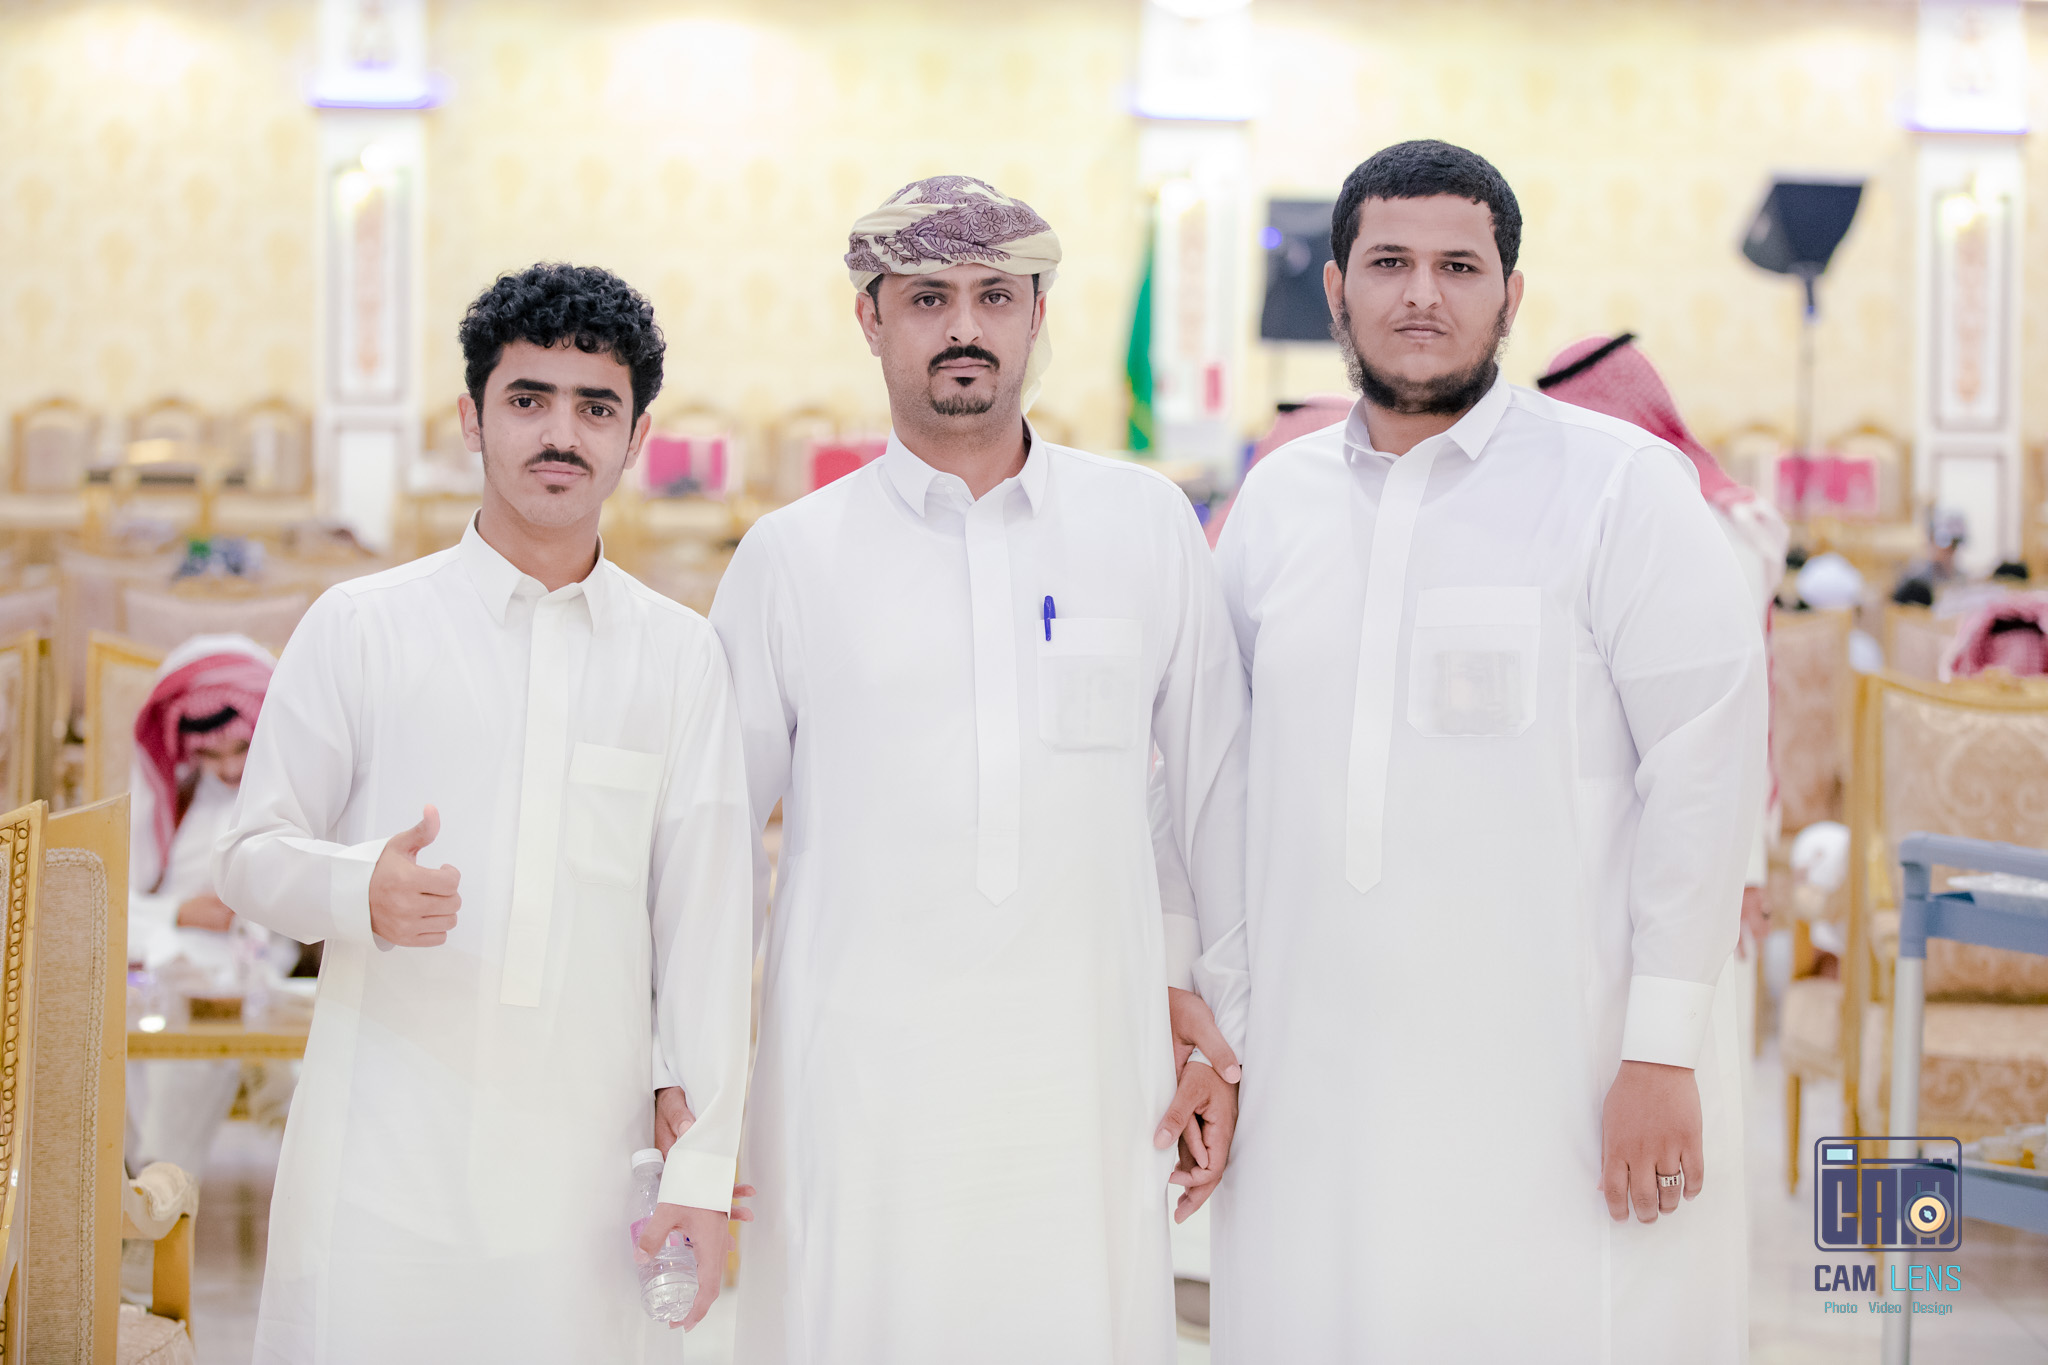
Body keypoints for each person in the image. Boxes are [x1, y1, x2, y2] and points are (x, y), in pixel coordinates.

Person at [1205, 141, 1767, 1363]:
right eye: (1388, 263)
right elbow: (1215, 778)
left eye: (1458, 267)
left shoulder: (1620, 488)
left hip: (1553, 1063)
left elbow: (1704, 767)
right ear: (1335, 289)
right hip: (1316, 1065)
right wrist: (1210, 1016)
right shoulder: (1275, 503)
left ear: (1510, 297)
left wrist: (1659, 1050)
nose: (1422, 295)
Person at [709, 174, 1248, 1365]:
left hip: (1088, 1064)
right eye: (927, 298)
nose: (964, 326)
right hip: (859, 1073)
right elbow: (712, 844)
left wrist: (1218, 1022)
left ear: (1037, 314)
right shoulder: (791, 557)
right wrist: (692, 1086)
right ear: (870, 318)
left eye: (994, 296)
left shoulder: (1143, 524)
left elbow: (1208, 794)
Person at [214, 263, 754, 1362]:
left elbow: (707, 920)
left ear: (636, 437)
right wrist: (356, 886)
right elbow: (247, 855)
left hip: (588, 1166)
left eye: (595, 407)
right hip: (383, 1151)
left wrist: (699, 1170)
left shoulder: (680, 655)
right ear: (472, 418)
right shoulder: (362, 625)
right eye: (528, 399)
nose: (560, 433)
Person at [1537, 334, 1787, 990]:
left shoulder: (1715, 526)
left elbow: (1729, 715)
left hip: (1696, 832)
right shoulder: (1578, 523)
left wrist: (1746, 869)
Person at [126, 634, 287, 1179]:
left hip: (251, 967)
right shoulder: (176, 802)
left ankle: (160, 1187)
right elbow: (116, 903)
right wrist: (180, 915)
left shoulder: (279, 801)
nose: (229, 767)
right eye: (211, 754)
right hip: (156, 960)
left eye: (241, 749)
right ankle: (135, 1186)